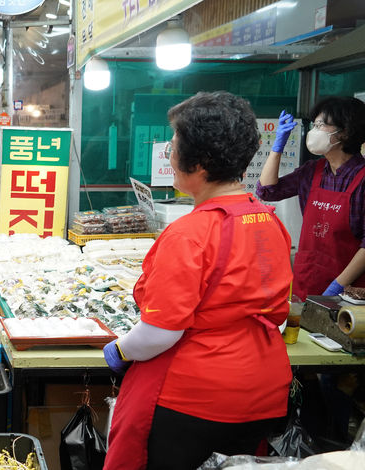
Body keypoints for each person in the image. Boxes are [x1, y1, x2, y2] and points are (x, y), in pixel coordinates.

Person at [103, 92, 293, 470]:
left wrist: (121, 350)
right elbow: (280, 316)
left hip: (194, 402)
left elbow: (159, 333)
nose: (169, 158)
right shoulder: (269, 220)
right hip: (265, 393)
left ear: (201, 163)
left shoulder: (189, 233)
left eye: (174, 148)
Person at [258, 97, 365, 300]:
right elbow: (267, 190)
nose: (313, 131)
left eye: (320, 125)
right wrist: (277, 147)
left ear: (345, 132)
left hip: (349, 290)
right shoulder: (312, 171)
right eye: (313, 124)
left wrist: (338, 285)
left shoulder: (363, 178)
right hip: (308, 279)